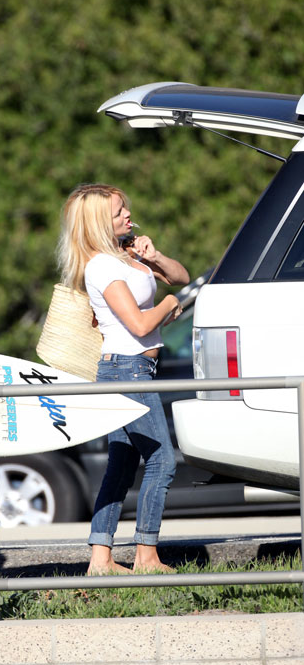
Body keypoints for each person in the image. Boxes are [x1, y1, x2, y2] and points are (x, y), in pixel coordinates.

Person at [57, 183, 189, 574]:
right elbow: (140, 324)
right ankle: (146, 556)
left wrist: (154, 256)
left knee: (121, 464)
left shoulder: (127, 254)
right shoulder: (102, 265)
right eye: (118, 212)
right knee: (162, 460)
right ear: (99, 222)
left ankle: (101, 559)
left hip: (135, 367)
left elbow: (181, 277)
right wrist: (168, 304)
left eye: (125, 207)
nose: (128, 214)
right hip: (125, 369)